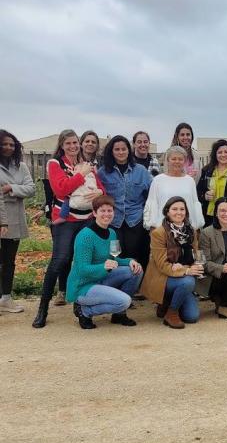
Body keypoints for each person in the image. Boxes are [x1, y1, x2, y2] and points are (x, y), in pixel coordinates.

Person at [33, 130, 105, 328]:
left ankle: (80, 306)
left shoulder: (86, 164)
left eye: (75, 143)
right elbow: (61, 189)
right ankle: (43, 308)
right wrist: (81, 175)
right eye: (68, 143)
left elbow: (101, 188)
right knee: (60, 260)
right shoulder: (55, 164)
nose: (72, 146)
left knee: (84, 261)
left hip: (87, 218)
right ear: (62, 145)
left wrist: (99, 191)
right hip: (65, 220)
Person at [66, 195, 144, 329]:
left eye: (110, 210)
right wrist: (104, 267)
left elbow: (114, 259)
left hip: (102, 277)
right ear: (94, 213)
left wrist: (130, 261)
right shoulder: (85, 236)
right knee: (124, 301)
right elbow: (82, 269)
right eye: (102, 211)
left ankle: (119, 315)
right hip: (83, 286)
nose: (106, 214)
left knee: (136, 270)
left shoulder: (112, 233)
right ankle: (84, 311)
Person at [140, 196, 203, 328]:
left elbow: (195, 255)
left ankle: (168, 302)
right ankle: (171, 312)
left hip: (182, 276)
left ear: (186, 212)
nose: (179, 212)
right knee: (188, 281)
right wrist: (186, 270)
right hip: (163, 277)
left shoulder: (191, 231)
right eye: (174, 209)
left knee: (192, 317)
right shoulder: (158, 233)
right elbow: (162, 265)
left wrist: (193, 266)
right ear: (167, 212)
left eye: (182, 209)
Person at [97, 135, 153, 268]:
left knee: (136, 255)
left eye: (124, 149)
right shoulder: (103, 172)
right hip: (113, 222)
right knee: (116, 255)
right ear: (111, 151)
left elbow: (152, 193)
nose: (121, 152)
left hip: (135, 220)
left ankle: (138, 280)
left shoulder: (141, 171)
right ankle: (119, 280)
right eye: (117, 149)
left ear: (129, 150)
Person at [0, 130, 36, 313]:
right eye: (4, 144)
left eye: (12, 145)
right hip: (2, 215)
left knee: (9, 260)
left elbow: (31, 189)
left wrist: (10, 188)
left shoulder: (21, 166)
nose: (8, 147)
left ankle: (6, 299)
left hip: (14, 218)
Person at [144, 146, 205, 230]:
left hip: (186, 229)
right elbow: (152, 203)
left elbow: (194, 204)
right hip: (163, 229)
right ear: (168, 160)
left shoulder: (190, 181)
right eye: (173, 159)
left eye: (180, 159)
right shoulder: (158, 180)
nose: (177, 161)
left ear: (184, 161)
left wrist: (196, 226)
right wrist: (152, 226)